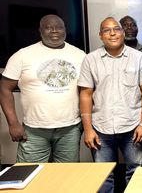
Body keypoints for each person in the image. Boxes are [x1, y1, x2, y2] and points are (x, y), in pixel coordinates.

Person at [78, 17, 142, 193]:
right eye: (107, 30)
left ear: (122, 32)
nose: (112, 33)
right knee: (103, 175)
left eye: (116, 29)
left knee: (135, 171)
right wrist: (88, 129)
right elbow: (85, 94)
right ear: (100, 35)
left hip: (132, 127)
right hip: (100, 128)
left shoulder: (139, 58)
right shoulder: (90, 59)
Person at [0, 14, 85, 163]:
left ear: (65, 30)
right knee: (29, 174)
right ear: (40, 31)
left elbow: (87, 91)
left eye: (59, 27)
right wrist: (13, 123)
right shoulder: (22, 55)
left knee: (67, 176)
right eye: (49, 27)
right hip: (34, 130)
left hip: (70, 129)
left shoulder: (80, 55)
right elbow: (4, 89)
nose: (54, 31)